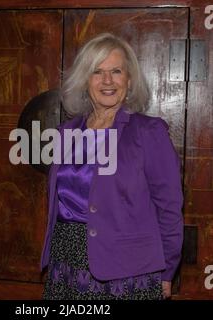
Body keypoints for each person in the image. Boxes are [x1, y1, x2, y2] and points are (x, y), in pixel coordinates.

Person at [40, 33, 184, 300]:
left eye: (116, 71)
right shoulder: (65, 133)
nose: (107, 81)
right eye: (97, 72)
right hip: (65, 267)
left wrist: (167, 272)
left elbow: (169, 208)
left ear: (128, 81)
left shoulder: (149, 132)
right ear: (85, 81)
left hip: (129, 274)